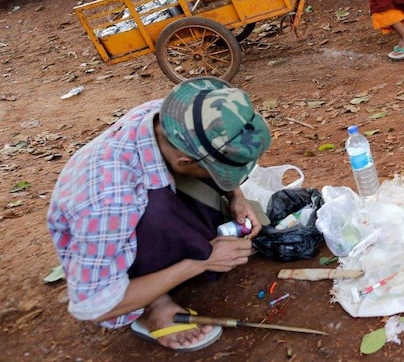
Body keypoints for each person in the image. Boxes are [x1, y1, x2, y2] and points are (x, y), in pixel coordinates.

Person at [47, 77, 272, 352]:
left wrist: (237, 196)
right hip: (106, 237)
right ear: (185, 162)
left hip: (135, 199)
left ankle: (183, 250)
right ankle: (153, 306)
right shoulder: (110, 200)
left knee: (186, 207)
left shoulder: (175, 117)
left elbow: (212, 150)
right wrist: (203, 262)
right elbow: (93, 306)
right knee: (157, 215)